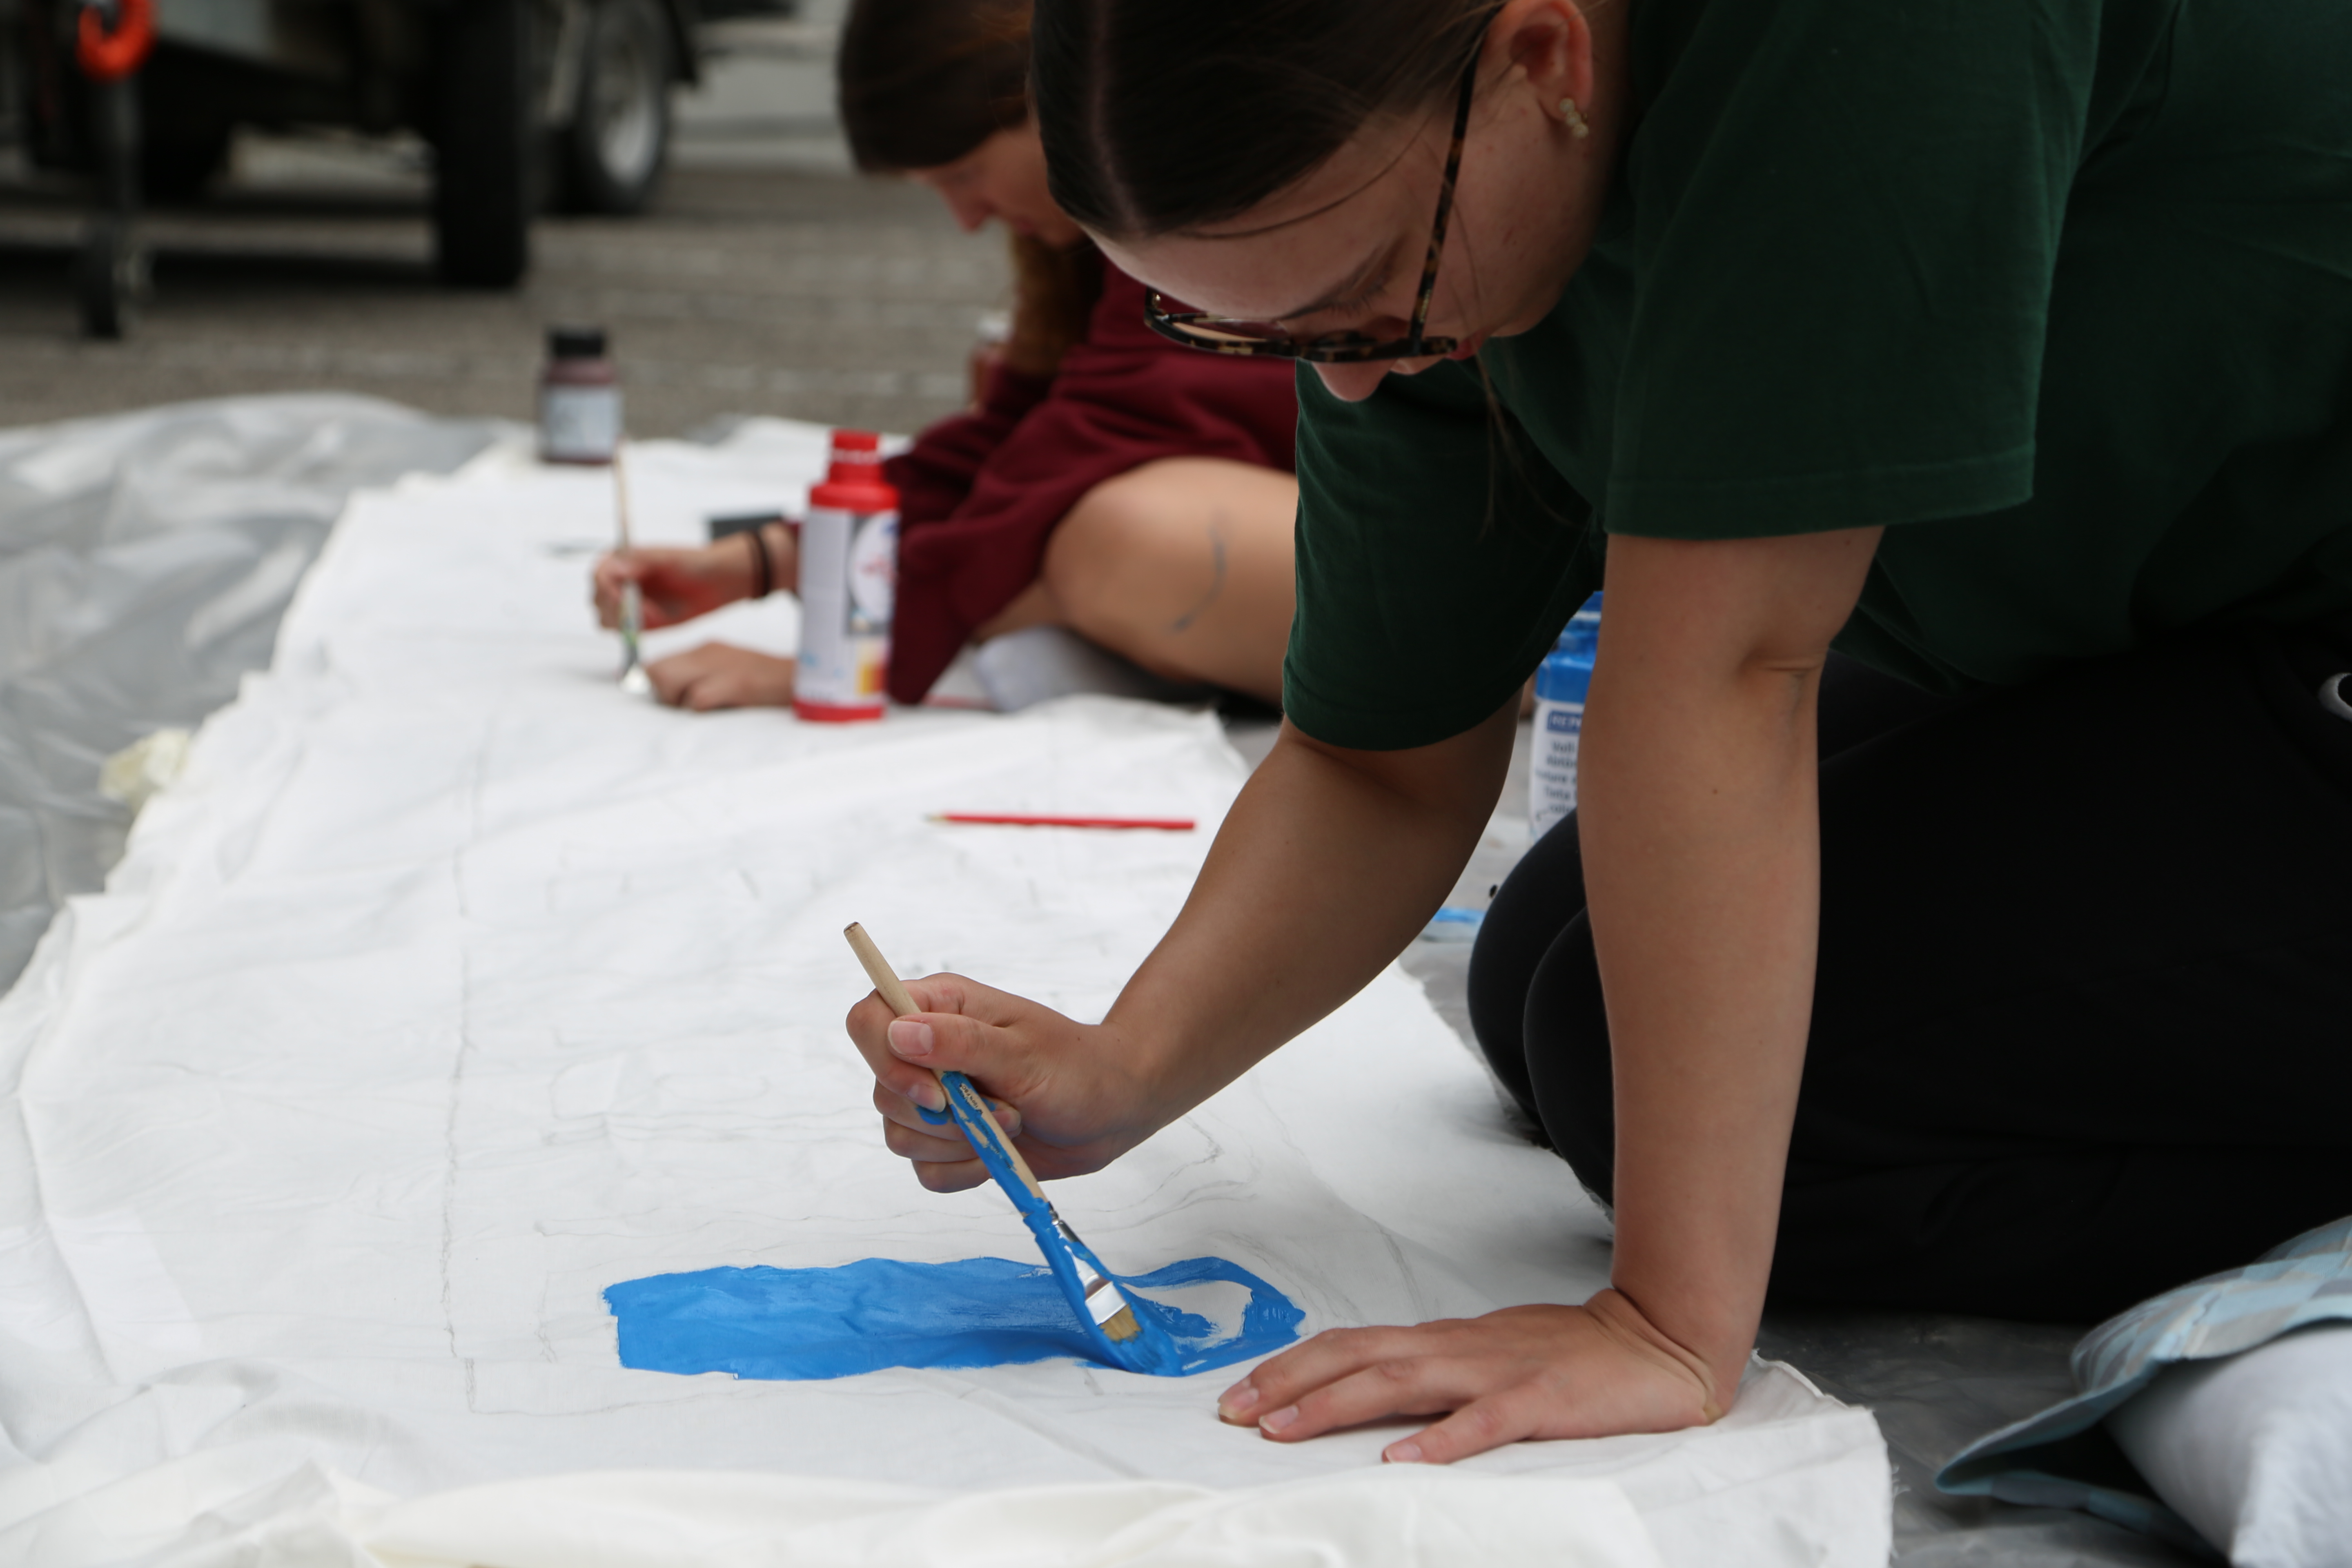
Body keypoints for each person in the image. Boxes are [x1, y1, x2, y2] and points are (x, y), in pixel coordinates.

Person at [845, 0, 2352, 1466]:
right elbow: (1382, 762)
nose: (1348, 374)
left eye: (1360, 293)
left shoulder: (1851, 40)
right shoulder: (1428, 174)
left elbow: (1730, 671)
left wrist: (1669, 1325)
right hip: (2180, 636)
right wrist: (1128, 1069)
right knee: (1550, 969)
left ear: (1544, 59)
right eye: (1243, 326)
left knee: (1754, 1124)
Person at [590, 0, 1297, 712]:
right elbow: (1010, 441)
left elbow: (1078, 447)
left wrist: (849, 657)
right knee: (1035, 551)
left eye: (964, 174)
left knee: (1117, 540)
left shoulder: (1192, 189)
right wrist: (767, 560)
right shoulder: (1116, 211)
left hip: (1365, 553)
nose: (967, 218)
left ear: (1055, 95)